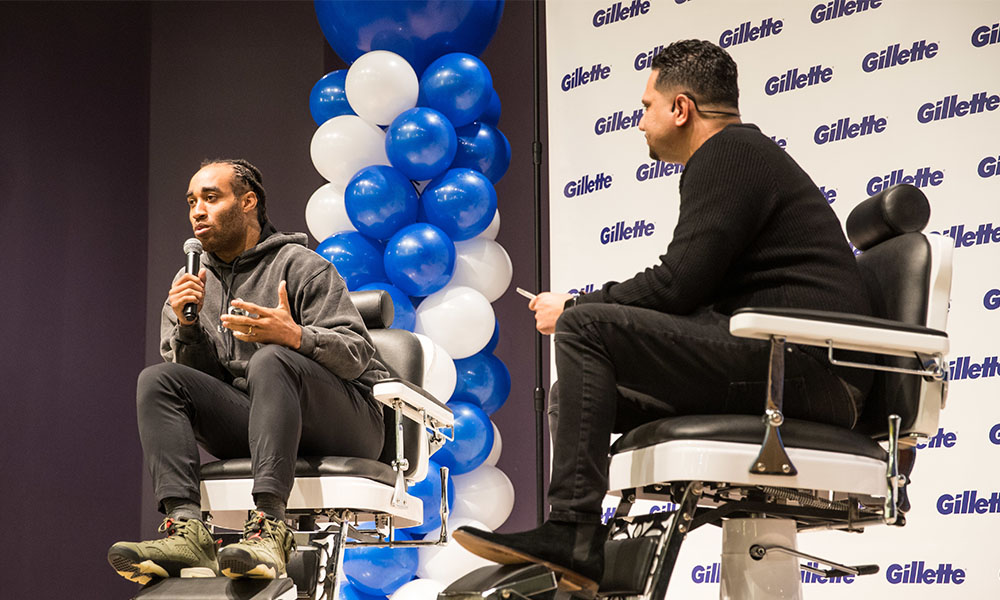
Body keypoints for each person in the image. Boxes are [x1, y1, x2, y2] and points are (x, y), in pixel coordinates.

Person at [454, 40, 874, 592]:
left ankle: (574, 534)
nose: (640, 122)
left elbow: (677, 285)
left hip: (804, 370)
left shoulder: (728, 154)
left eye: (647, 107)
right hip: (781, 359)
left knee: (585, 330)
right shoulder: (736, 157)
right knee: (573, 392)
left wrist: (579, 305)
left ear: (682, 109)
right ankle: (587, 553)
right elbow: (694, 292)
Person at [108, 159, 388, 584]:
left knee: (271, 358)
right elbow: (201, 387)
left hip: (347, 422)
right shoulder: (191, 286)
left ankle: (270, 526)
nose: (197, 210)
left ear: (248, 202)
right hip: (262, 420)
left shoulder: (301, 265)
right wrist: (189, 328)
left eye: (211, 197)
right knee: (158, 380)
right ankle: (186, 530)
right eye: (191, 202)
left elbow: (356, 355)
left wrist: (295, 336)